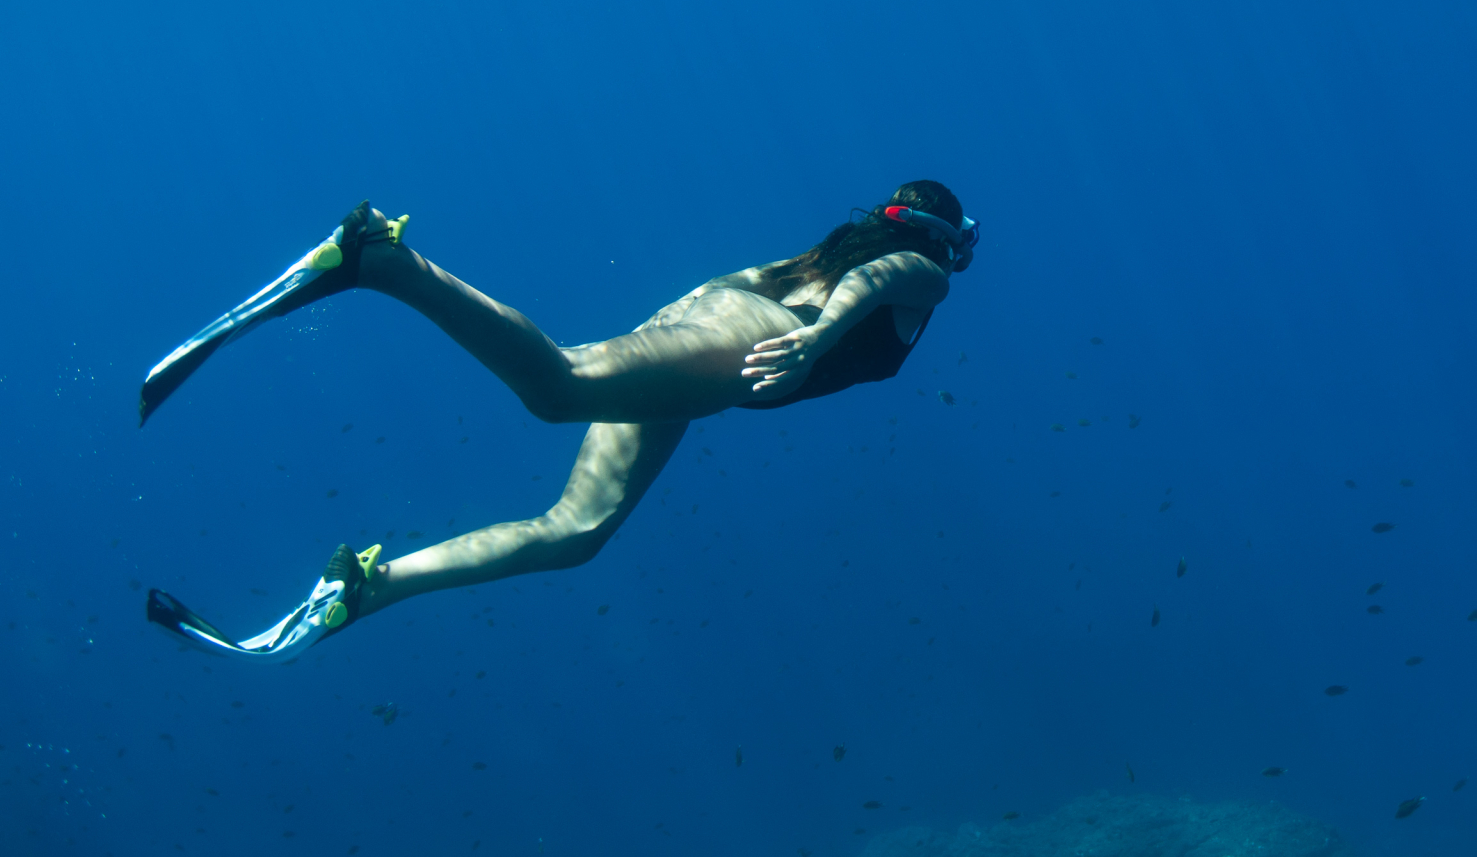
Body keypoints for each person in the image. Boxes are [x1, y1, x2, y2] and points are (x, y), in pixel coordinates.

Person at [140, 181, 976, 662]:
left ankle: (368, 588)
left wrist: (719, 331)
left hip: (719, 334)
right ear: (946, 241)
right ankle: (382, 263)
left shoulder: (825, 250)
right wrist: (815, 341)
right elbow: (883, 278)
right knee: (559, 388)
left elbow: (733, 288)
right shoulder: (925, 275)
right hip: (751, 341)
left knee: (578, 530)